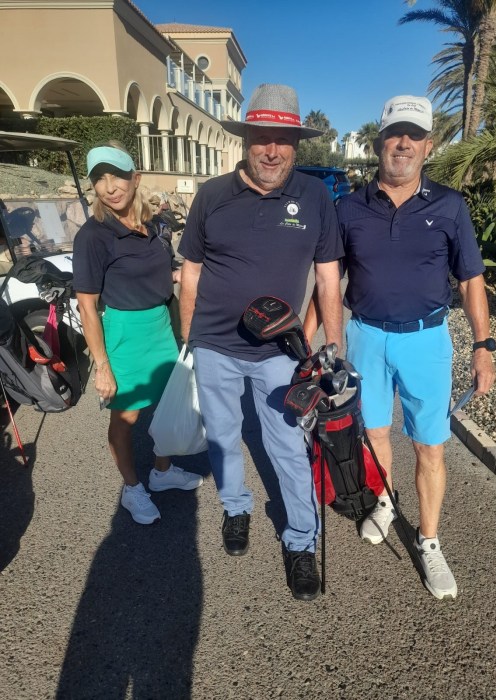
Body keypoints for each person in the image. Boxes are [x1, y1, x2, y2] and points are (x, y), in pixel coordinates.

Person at [307, 95, 496, 600]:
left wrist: (483, 346)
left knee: (429, 445)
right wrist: (309, 340)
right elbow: (329, 280)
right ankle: (387, 503)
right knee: (373, 434)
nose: (404, 143)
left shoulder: (450, 206)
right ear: (379, 143)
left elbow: (471, 280)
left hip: (426, 340)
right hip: (365, 336)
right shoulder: (349, 207)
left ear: (428, 146)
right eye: (395, 134)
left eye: (414, 135)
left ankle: (429, 541)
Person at [178, 84, 343, 601]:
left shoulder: (315, 197)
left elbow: (327, 276)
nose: (272, 151)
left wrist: (331, 347)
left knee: (288, 446)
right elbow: (190, 270)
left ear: (296, 144)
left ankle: (301, 540)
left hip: (279, 351)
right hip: (215, 346)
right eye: (261, 139)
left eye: (282, 140)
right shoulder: (211, 195)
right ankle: (236, 507)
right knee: (224, 437)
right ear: (245, 140)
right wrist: (190, 338)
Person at [73, 143, 203, 525]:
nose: (110, 186)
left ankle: (162, 472)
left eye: (117, 176)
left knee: (167, 404)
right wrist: (102, 367)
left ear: (136, 178)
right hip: (125, 332)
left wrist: (181, 277)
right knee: (126, 417)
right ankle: (132, 488)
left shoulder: (157, 225)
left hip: (162, 325)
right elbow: (86, 307)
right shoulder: (93, 236)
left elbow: (161, 271)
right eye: (100, 179)